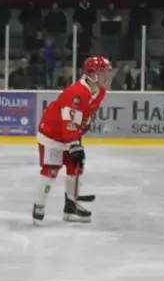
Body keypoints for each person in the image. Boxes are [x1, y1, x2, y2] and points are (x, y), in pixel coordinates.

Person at [32, 55, 110, 224]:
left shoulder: (100, 91)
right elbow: (68, 122)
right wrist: (73, 143)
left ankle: (71, 206)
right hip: (52, 134)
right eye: (103, 72)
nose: (106, 76)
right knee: (51, 169)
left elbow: (84, 118)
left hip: (70, 135)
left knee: (76, 165)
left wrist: (76, 141)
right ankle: (39, 206)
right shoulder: (76, 92)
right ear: (92, 74)